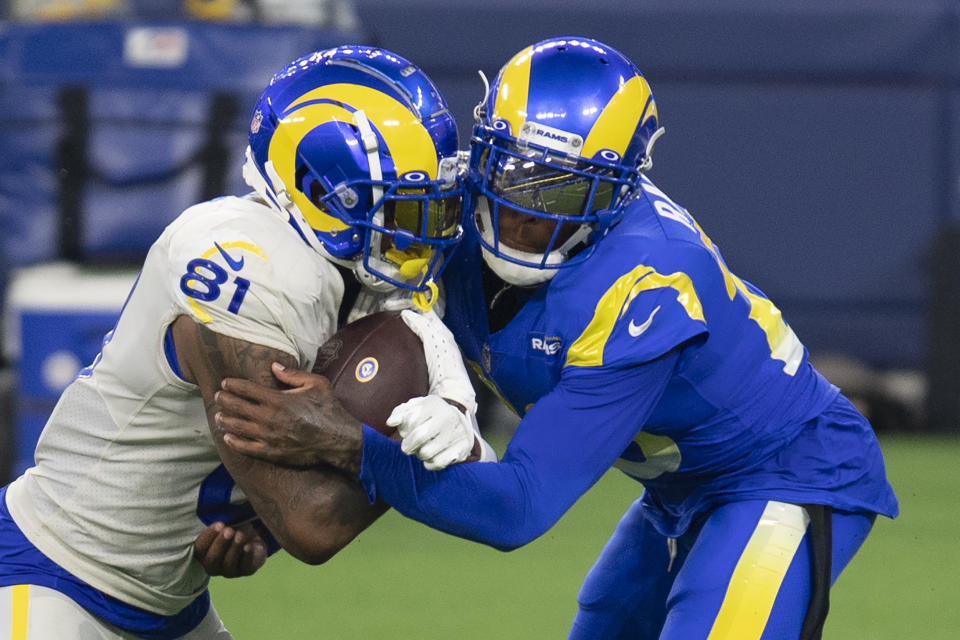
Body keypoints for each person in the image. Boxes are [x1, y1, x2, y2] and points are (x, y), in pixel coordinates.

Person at [214, 36, 900, 640]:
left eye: (559, 193)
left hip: (785, 474)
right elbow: (379, 388)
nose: (519, 210)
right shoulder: (442, 217)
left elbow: (517, 506)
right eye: (512, 171)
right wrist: (271, 522)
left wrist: (339, 441)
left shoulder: (648, 286)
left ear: (617, 195)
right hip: (676, 488)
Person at [0, 45, 493, 639]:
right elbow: (314, 524)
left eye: (429, 209)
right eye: (399, 210)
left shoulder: (362, 277)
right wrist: (400, 447)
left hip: (170, 607)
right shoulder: (247, 265)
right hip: (58, 575)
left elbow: (316, 496)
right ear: (318, 190)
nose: (417, 236)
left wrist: (259, 526)